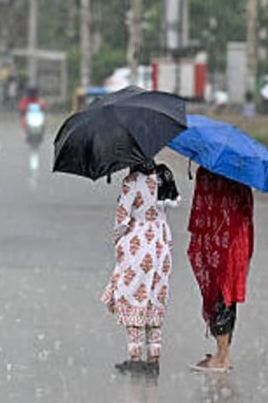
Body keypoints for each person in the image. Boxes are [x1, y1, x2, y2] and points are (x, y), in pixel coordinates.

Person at [100, 161, 179, 376]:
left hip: (138, 245)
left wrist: (117, 241)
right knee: (154, 298)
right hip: (161, 246)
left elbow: (122, 218)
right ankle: (154, 358)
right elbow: (166, 207)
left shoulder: (132, 181)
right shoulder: (165, 176)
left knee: (133, 296)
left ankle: (134, 358)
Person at [187, 167, 254, 373]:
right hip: (238, 238)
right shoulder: (242, 172)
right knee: (228, 295)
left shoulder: (207, 172)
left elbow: (201, 209)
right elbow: (246, 208)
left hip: (219, 241)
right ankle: (223, 353)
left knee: (220, 294)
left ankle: (222, 357)